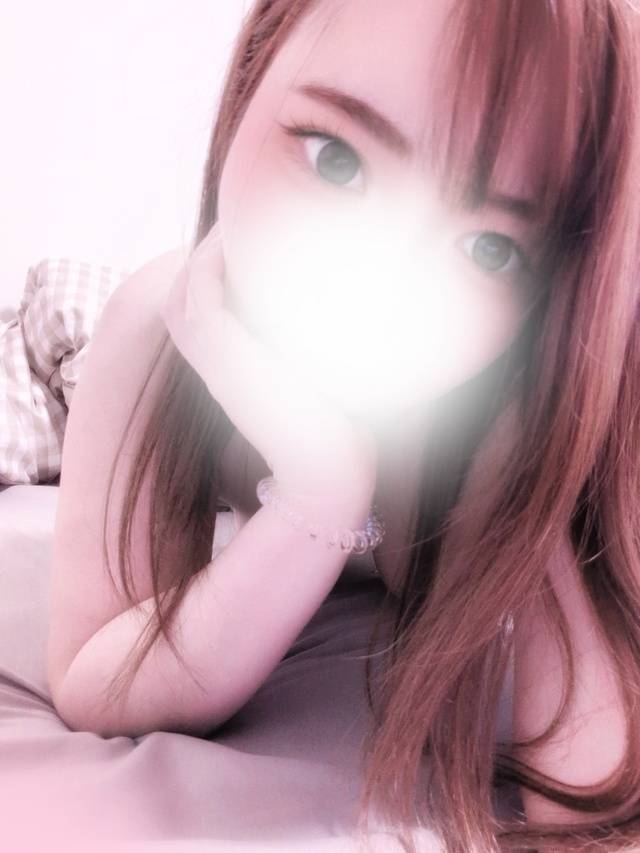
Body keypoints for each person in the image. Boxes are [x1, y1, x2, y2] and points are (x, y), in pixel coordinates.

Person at [47, 0, 640, 850]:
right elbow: (90, 677)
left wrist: (533, 456)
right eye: (336, 159)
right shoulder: (161, 327)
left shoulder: (522, 398)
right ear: (251, 72)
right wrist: (318, 496)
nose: (387, 282)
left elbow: (590, 800)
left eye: (490, 248)